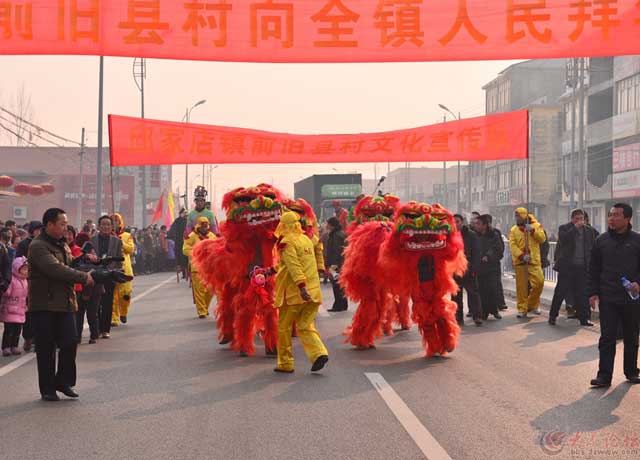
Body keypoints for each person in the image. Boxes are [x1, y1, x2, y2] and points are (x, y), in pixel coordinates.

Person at [28, 208, 94, 401]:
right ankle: (47, 389)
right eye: (62, 224)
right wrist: (84, 277)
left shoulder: (62, 244)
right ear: (49, 225)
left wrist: (84, 260)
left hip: (65, 303)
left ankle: (63, 382)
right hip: (44, 304)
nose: (66, 228)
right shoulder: (38, 246)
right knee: (46, 349)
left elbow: (68, 264)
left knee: (70, 342)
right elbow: (55, 269)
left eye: (66, 224)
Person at [588, 203, 640, 387]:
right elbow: (593, 268)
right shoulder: (601, 241)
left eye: (616, 215)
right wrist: (593, 292)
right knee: (607, 337)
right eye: (610, 214)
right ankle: (604, 376)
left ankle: (632, 371)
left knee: (632, 336)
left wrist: (638, 284)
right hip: (608, 296)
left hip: (631, 298)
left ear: (627, 218)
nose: (611, 218)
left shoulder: (636, 241)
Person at [272, 211, 329, 373]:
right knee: (305, 326)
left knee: (284, 328)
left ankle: (285, 363)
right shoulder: (306, 239)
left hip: (294, 294)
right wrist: (270, 270)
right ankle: (319, 353)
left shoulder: (286, 242)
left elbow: (293, 265)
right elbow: (286, 264)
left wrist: (301, 287)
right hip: (313, 294)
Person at [549, 209, 597, 327]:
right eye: (577, 219)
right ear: (572, 219)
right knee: (560, 292)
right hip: (567, 267)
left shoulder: (589, 230)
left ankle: (584, 318)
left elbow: (596, 243)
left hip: (582, 267)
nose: (580, 221)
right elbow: (564, 240)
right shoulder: (564, 229)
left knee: (582, 293)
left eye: (581, 218)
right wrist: (575, 228)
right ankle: (552, 316)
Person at [509, 207, 546, 318]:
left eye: (519, 216)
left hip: (534, 261)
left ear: (524, 216)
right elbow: (513, 245)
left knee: (539, 282)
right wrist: (521, 255)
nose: (517, 218)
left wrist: (533, 231)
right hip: (521, 262)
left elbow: (542, 239)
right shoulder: (513, 230)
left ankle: (532, 304)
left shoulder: (536, 226)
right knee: (521, 287)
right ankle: (522, 308)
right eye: (516, 216)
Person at [91, 215, 123, 338]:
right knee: (96, 303)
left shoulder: (117, 241)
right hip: (96, 275)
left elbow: (119, 260)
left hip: (110, 275)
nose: (105, 226)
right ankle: (97, 328)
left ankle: (105, 329)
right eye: (103, 224)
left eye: (108, 224)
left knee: (108, 302)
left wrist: (116, 272)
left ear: (112, 227)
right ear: (98, 226)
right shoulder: (92, 240)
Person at [452, 214, 483, 326]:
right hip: (455, 268)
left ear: (462, 222)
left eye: (458, 221)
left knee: (473, 293)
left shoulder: (471, 235)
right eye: (453, 222)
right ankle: (458, 318)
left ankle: (477, 316)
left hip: (468, 267)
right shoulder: (450, 235)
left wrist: (474, 268)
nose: (456, 224)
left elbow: (477, 252)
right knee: (456, 295)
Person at [16, 220, 42, 352]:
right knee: (28, 312)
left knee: (39, 313)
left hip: (41, 283)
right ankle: (27, 338)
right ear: (31, 230)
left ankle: (38, 339)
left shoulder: (45, 243)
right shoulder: (23, 244)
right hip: (27, 282)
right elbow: (18, 262)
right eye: (37, 229)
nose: (39, 232)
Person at [183, 217, 216, 318]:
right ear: (198, 225)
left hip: (210, 267)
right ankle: (201, 311)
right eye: (202, 225)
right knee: (199, 290)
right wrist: (196, 253)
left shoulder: (212, 236)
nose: (204, 227)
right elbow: (185, 249)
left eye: (206, 225)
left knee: (211, 290)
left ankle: (204, 307)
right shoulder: (192, 236)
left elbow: (217, 248)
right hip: (196, 267)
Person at [476, 214, 504, 320]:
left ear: (485, 225)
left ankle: (494, 310)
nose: (477, 226)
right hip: (480, 267)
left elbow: (498, 248)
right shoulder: (475, 235)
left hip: (492, 266)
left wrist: (488, 256)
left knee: (492, 288)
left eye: (479, 224)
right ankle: (484, 311)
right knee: (482, 289)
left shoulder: (495, 234)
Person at [74, 233, 100, 344]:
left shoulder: (97, 260)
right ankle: (78, 336)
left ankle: (94, 335)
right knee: (80, 315)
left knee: (91, 314)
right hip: (80, 289)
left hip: (95, 291)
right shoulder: (77, 260)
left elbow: (100, 270)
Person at [111, 214, 135, 326]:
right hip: (111, 268)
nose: (114, 223)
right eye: (112, 221)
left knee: (126, 294)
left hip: (125, 269)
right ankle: (113, 318)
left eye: (116, 220)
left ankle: (123, 312)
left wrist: (120, 242)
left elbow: (130, 249)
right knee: (112, 296)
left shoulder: (127, 235)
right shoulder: (107, 236)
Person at [1, 257, 28, 356]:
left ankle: (14, 346)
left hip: (20, 309)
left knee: (17, 330)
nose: (26, 271)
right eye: (24, 269)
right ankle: (6, 347)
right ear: (17, 268)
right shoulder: (12, 279)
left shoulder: (25, 281)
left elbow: (26, 295)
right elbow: (6, 292)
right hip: (10, 309)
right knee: (9, 330)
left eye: (27, 269)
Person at [324, 217, 348, 312]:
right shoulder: (341, 233)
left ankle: (338, 305)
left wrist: (331, 265)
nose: (327, 226)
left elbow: (335, 251)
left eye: (328, 224)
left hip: (335, 265)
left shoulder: (335, 235)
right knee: (340, 284)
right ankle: (343, 304)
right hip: (341, 263)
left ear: (332, 225)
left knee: (336, 284)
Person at [168, 208, 188, 278]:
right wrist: (172, 236)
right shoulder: (177, 221)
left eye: (186, 213)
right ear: (181, 213)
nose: (185, 214)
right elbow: (173, 229)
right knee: (181, 257)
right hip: (180, 242)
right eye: (184, 213)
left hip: (188, 241)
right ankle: (183, 273)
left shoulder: (189, 221)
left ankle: (189, 272)